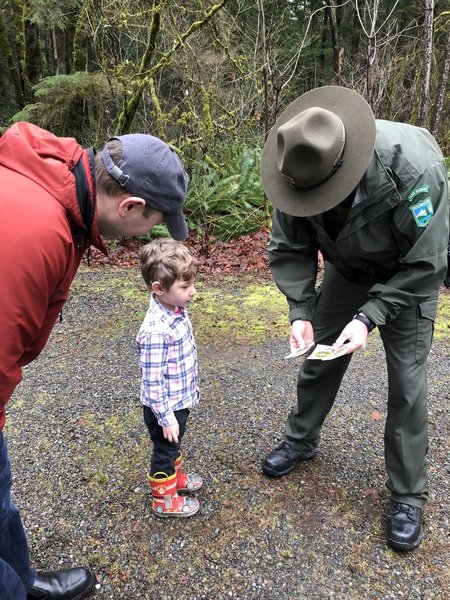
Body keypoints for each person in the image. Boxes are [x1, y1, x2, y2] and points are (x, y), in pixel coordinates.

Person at [0, 122, 189, 599]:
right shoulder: (35, 230)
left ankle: (21, 580)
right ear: (129, 205)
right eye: (153, 222)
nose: (148, 235)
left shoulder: (62, 198)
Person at [260, 86, 449, 551]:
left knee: (407, 382)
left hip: (409, 274)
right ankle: (300, 439)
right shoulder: (296, 166)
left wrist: (369, 318)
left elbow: (427, 264)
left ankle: (407, 493)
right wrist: (300, 310)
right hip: (348, 270)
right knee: (319, 355)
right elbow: (290, 247)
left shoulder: (414, 171)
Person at [137, 238, 202, 518]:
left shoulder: (174, 309)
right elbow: (152, 383)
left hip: (179, 400)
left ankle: (175, 480)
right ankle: (164, 500)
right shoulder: (155, 332)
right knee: (164, 450)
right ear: (159, 289)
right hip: (166, 407)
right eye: (185, 287)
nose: (193, 292)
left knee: (173, 444)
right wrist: (166, 418)